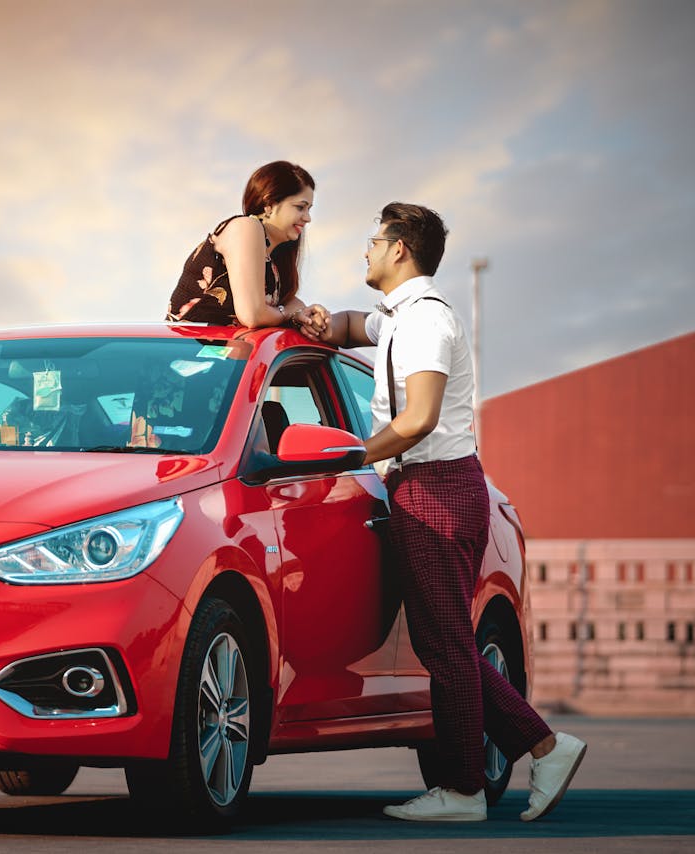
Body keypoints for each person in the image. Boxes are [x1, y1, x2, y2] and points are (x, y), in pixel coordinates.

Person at [319, 202, 586, 822]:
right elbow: (359, 327)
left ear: (399, 251)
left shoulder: (428, 325)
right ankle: (516, 760)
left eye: (373, 241)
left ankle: (488, 776)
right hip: (431, 486)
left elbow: (418, 419)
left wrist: (350, 456)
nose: (365, 250)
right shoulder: (402, 319)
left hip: (435, 488)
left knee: (447, 648)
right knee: (447, 645)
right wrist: (318, 322)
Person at [167, 160, 328, 336]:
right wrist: (288, 313)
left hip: (224, 358)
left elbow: (293, 305)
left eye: (309, 209)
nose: (308, 218)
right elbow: (252, 315)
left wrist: (300, 313)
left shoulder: (272, 262)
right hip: (187, 354)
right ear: (270, 203)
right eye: (300, 207)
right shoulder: (246, 227)